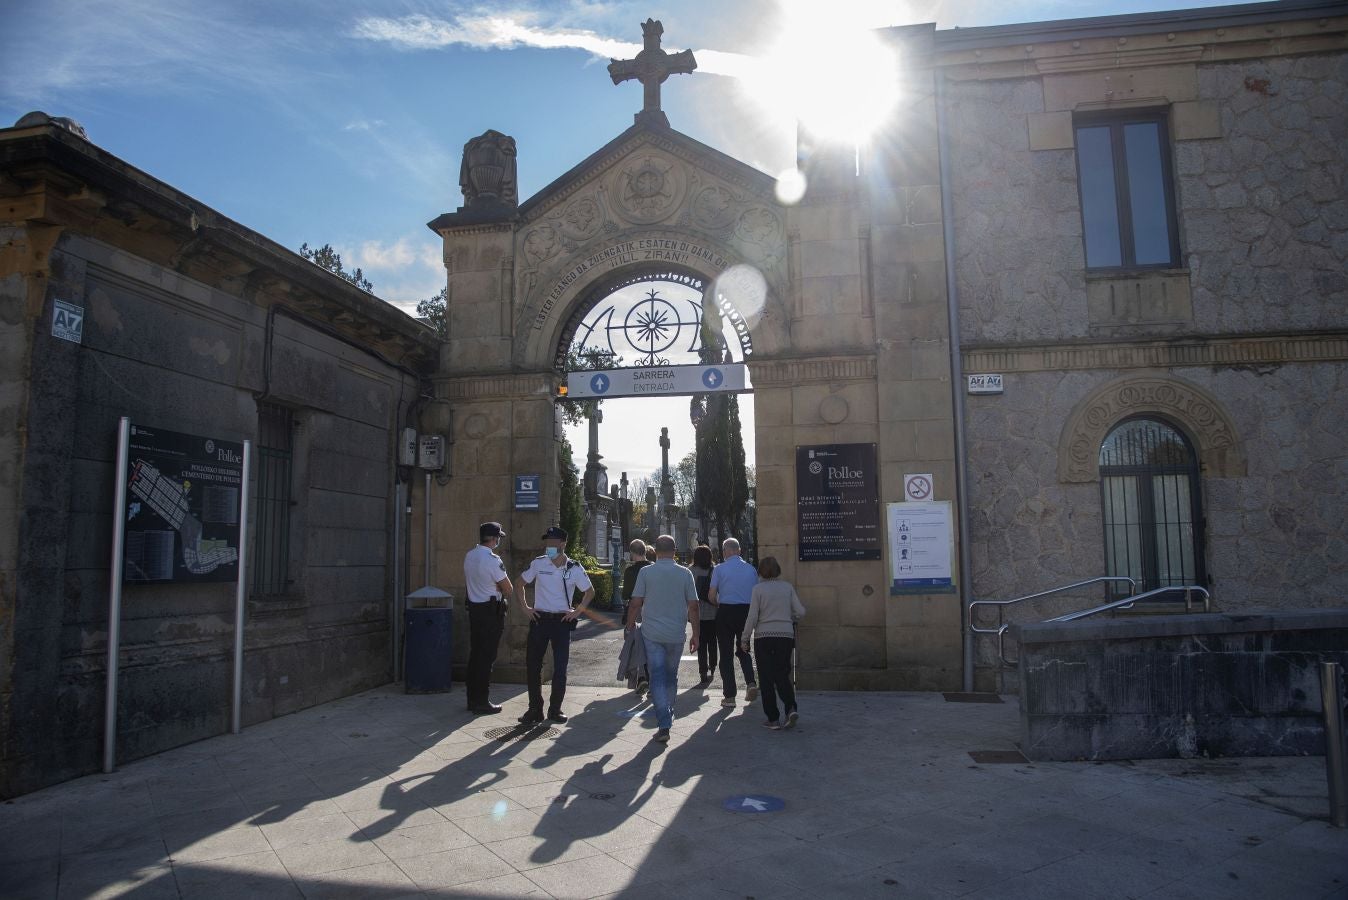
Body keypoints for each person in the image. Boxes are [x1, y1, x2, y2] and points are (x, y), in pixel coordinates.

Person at [625, 534, 699, 744]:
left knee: (656, 676)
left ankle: (664, 721)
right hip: (676, 634)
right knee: (671, 675)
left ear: (655, 551)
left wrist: (630, 624)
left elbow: (636, 602)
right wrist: (696, 634)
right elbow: (693, 606)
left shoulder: (647, 573)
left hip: (652, 633)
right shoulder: (685, 574)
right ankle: (668, 710)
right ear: (675, 551)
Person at [518, 526, 594, 724]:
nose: (548, 546)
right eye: (547, 542)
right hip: (540, 619)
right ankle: (534, 709)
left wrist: (577, 612)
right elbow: (519, 584)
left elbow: (589, 591)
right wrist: (526, 608)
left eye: (552, 542)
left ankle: (555, 709)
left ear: (562, 544)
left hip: (562, 621)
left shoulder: (574, 568)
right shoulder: (538, 563)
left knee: (560, 667)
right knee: (533, 665)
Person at [740, 557, 805, 729]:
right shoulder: (787, 587)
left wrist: (745, 637)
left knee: (766, 678)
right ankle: (790, 707)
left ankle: (773, 718)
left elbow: (752, 616)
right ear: (778, 569)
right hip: (785, 635)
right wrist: (790, 618)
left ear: (760, 571)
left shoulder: (758, 589)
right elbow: (800, 611)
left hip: (764, 636)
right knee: (782, 674)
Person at [462, 522, 513, 714]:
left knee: (475, 655)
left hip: (475, 609)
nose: (499, 540)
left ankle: (471, 699)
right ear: (493, 538)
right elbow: (508, 588)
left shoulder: (470, 555)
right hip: (491, 612)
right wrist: (497, 586)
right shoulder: (492, 560)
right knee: (486, 657)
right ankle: (482, 701)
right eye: (498, 537)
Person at [709, 537, 759, 708]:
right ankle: (751, 682)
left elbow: (711, 595)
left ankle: (729, 696)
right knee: (744, 647)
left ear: (725, 552)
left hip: (726, 611)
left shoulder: (719, 569)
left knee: (725, 653)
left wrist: (719, 603)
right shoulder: (751, 569)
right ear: (739, 551)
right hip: (746, 611)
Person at [620, 539, 652, 694]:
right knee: (650, 645)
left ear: (632, 553)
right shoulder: (653, 568)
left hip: (635, 610)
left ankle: (639, 677)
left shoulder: (630, 571)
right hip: (652, 610)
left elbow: (626, 594)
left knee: (634, 644)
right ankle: (648, 677)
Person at [690, 544, 717, 687]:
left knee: (700, 643)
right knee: (713, 642)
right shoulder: (715, 570)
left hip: (697, 613)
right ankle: (713, 666)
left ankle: (702, 671)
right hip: (713, 613)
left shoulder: (690, 571)